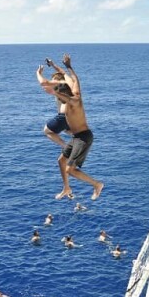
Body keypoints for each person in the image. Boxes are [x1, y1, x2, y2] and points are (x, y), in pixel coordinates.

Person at [41, 54, 104, 201]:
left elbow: (68, 81)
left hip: (83, 136)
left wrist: (41, 75)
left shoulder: (73, 98)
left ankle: (97, 185)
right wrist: (63, 65)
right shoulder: (70, 90)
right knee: (61, 161)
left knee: (70, 169)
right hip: (76, 136)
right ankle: (66, 188)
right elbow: (72, 78)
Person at [37, 61, 70, 148]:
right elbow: (63, 73)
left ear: (57, 80)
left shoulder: (60, 84)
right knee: (67, 130)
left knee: (47, 131)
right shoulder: (68, 85)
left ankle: (66, 147)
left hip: (64, 116)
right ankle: (79, 141)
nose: (51, 81)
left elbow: (43, 83)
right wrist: (52, 65)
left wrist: (38, 73)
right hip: (72, 116)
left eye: (53, 80)